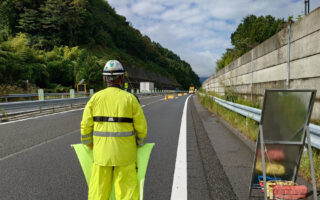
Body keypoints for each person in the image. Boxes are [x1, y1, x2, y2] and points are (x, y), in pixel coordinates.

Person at [80, 60, 147, 200]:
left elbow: (85, 126)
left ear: (104, 78)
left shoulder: (94, 99)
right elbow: (141, 127)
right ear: (122, 78)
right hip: (125, 155)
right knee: (127, 193)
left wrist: (89, 144)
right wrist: (139, 143)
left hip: (101, 155)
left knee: (98, 192)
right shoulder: (130, 99)